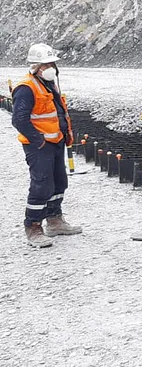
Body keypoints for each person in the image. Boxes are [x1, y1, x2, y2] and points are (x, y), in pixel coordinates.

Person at [10, 43, 83, 248]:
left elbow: (58, 112)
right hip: (39, 145)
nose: (50, 67)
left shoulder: (48, 84)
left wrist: (65, 135)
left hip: (56, 142)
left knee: (59, 183)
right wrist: (39, 140)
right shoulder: (26, 87)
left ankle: (55, 220)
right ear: (35, 66)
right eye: (46, 64)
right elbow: (19, 119)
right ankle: (33, 227)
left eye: (52, 63)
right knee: (41, 185)